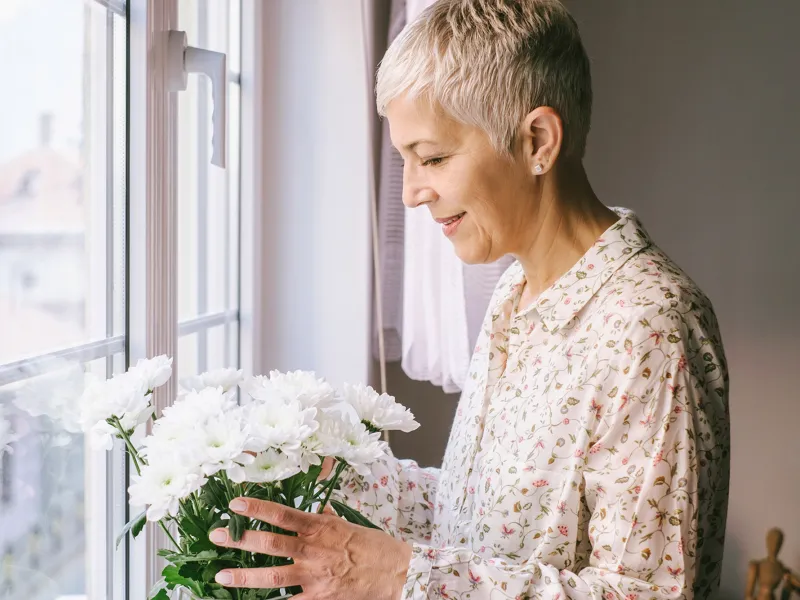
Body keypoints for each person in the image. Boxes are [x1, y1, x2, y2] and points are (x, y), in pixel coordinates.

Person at [209, 1, 730, 598]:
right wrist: (331, 468)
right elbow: (487, 524)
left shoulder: (650, 325)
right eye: (405, 160)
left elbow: (645, 593)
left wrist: (400, 575)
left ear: (537, 141)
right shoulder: (518, 288)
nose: (409, 193)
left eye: (431, 158)